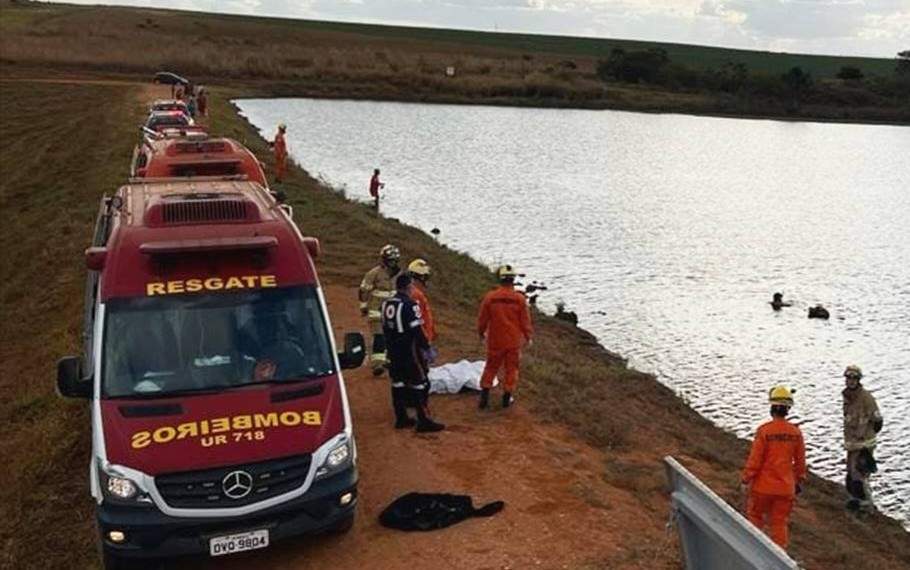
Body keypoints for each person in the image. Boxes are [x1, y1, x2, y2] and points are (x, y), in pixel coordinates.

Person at [741, 386, 807, 549]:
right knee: (779, 524)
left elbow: (755, 460)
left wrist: (746, 478)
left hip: (762, 487)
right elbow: (800, 462)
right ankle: (778, 561)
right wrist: (799, 480)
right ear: (788, 409)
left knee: (755, 518)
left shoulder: (764, 431)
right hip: (785, 488)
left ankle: (752, 553)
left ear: (771, 407)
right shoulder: (795, 433)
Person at [381, 274, 444, 432]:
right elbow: (417, 330)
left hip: (392, 350)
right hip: (408, 351)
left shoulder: (386, 304)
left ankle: (401, 417)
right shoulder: (410, 304)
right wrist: (426, 347)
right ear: (408, 287)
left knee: (398, 383)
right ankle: (424, 420)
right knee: (419, 383)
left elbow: (384, 328)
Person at [477, 265, 533, 410]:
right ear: (513, 280)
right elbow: (525, 321)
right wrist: (528, 336)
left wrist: (481, 332)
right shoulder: (519, 299)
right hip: (513, 341)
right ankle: (506, 398)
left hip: (495, 339)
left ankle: (484, 396)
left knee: (490, 367)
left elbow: (483, 318)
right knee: (511, 369)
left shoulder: (490, 297)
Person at [842, 364, 883, 513]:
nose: (851, 381)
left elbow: (878, 421)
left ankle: (867, 506)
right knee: (851, 474)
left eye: (854, 378)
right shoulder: (848, 397)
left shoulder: (866, 398)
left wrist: (867, 441)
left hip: (864, 444)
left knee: (860, 474)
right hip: (853, 444)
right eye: (849, 377)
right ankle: (857, 501)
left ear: (858, 380)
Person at [359, 245, 402, 376]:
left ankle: (390, 361)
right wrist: (364, 306)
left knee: (393, 336)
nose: (392, 263)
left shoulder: (400, 275)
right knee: (379, 336)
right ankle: (377, 364)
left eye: (394, 260)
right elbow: (364, 290)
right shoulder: (374, 273)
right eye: (390, 260)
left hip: (394, 311)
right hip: (376, 309)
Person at [407, 258, 437, 364]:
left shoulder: (414, 292)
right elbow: (418, 320)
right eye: (425, 277)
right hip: (418, 342)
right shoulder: (415, 295)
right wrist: (425, 342)